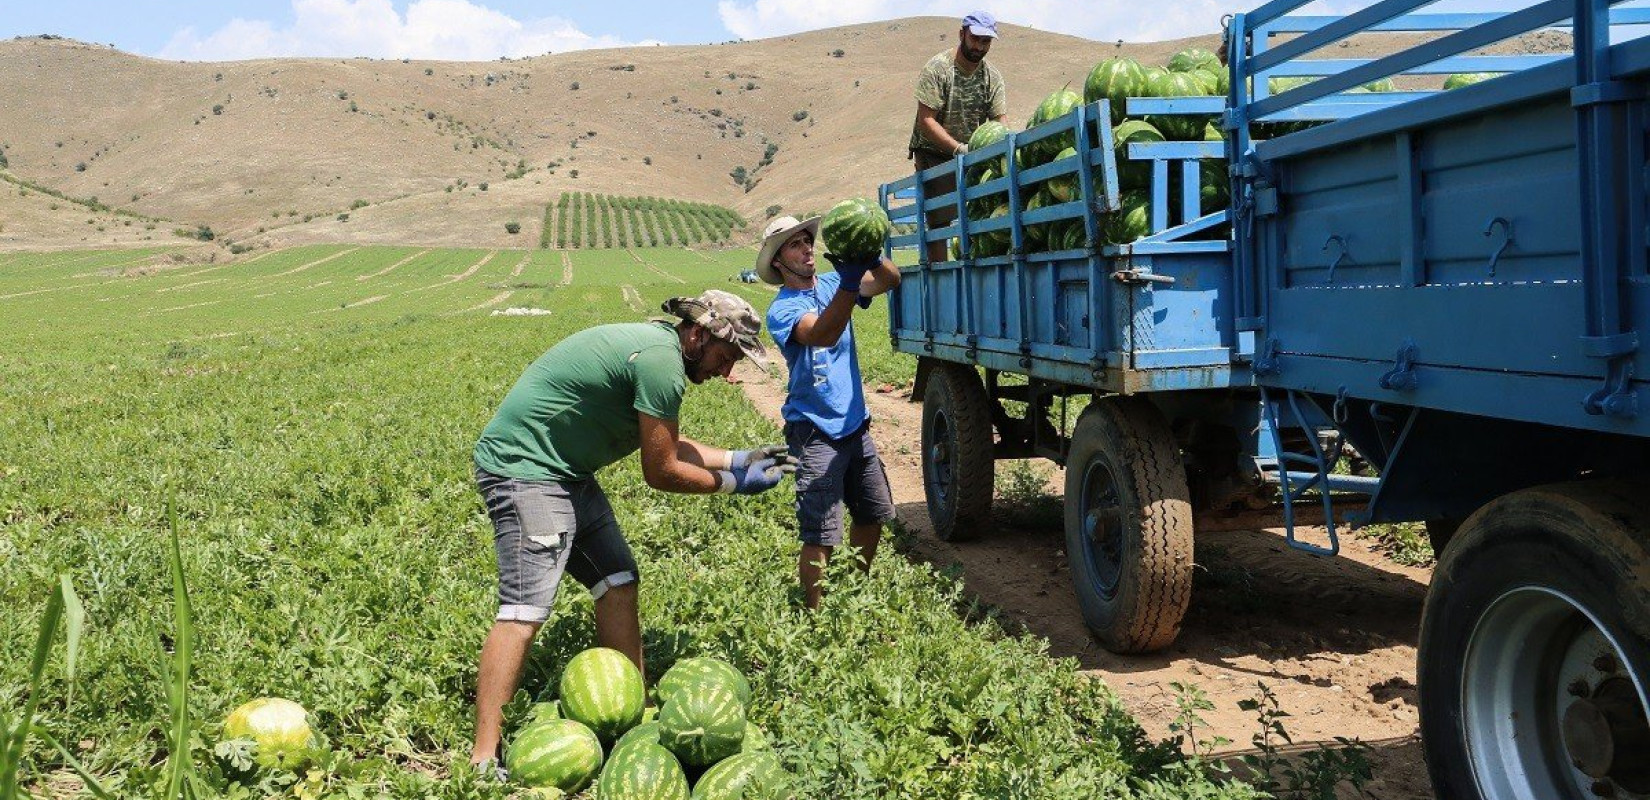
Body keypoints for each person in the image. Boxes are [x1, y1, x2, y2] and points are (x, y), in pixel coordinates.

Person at [468, 289, 793, 771]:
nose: (727, 372)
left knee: (618, 577)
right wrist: (732, 485)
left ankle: (630, 717)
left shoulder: (660, 350)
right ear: (698, 335)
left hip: (566, 473)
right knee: (525, 608)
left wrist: (740, 458)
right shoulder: (661, 363)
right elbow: (660, 470)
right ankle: (482, 757)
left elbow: (669, 442)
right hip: (525, 473)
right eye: (726, 357)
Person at [757, 215, 901, 609]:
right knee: (820, 531)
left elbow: (890, 280)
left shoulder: (836, 284)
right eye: (794, 245)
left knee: (872, 515)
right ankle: (816, 615)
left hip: (855, 425)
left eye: (807, 241)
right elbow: (822, 333)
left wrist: (871, 257)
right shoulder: (782, 309)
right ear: (777, 263)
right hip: (814, 430)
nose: (806, 249)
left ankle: (852, 591)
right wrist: (851, 284)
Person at [908, 11, 1008, 265]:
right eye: (975, 39)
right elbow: (926, 120)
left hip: (972, 151)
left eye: (986, 41)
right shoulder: (938, 68)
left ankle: (974, 265)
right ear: (962, 33)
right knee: (940, 218)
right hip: (934, 151)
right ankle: (942, 272)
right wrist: (957, 149)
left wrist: (987, 148)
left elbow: (999, 122)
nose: (980, 46)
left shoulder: (992, 77)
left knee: (979, 210)